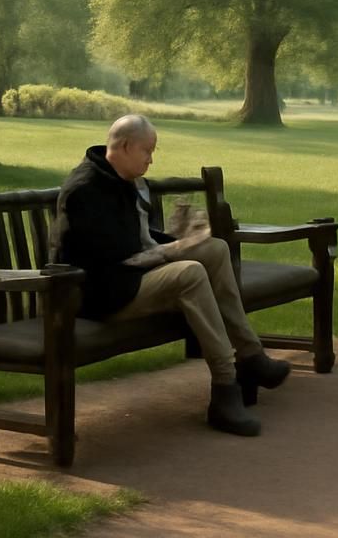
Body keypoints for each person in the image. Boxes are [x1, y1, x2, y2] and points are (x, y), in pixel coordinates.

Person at [50, 114, 290, 437]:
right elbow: (116, 256)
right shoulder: (84, 191)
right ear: (124, 146)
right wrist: (174, 249)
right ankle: (224, 386)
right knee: (189, 272)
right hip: (104, 295)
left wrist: (183, 238)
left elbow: (139, 239)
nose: (151, 159)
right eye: (147, 151)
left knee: (214, 249)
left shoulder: (123, 180)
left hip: (130, 277)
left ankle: (250, 356)